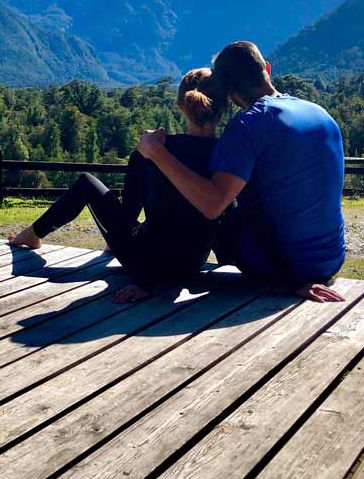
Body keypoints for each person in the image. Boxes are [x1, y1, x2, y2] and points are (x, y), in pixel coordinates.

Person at [136, 41, 347, 303]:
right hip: (331, 259)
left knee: (222, 209)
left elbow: (212, 205)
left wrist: (157, 153)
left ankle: (160, 270)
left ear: (227, 90)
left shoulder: (249, 125)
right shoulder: (319, 113)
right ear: (266, 69)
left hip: (285, 268)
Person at [9, 68, 225, 303]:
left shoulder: (155, 149)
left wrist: (144, 282)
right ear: (223, 107)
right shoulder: (230, 156)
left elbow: (131, 216)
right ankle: (49, 236)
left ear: (181, 106)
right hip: (192, 264)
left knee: (86, 183)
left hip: (148, 264)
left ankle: (32, 234)